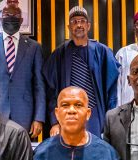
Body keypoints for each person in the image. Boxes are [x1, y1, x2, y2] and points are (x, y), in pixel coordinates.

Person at [43, 6, 120, 137]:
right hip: (68, 112)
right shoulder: (59, 54)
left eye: (82, 21)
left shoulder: (102, 52)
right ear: (68, 27)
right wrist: (55, 122)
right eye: (74, 21)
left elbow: (112, 91)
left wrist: (111, 120)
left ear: (88, 26)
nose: (78, 24)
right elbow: (52, 91)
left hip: (95, 113)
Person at [0, 5, 45, 138]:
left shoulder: (34, 47)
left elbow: (39, 85)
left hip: (25, 115)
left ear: (21, 20)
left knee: (21, 156)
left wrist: (39, 118)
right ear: (1, 19)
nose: (11, 19)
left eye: (15, 16)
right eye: (7, 15)